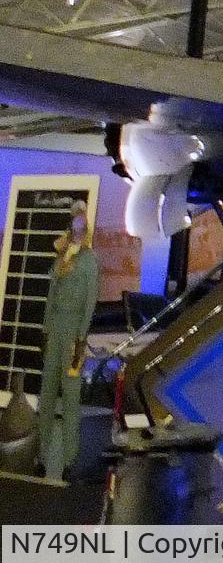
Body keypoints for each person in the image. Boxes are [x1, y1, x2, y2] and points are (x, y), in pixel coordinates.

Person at [37, 207, 98, 483]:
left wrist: (82, 338)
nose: (76, 230)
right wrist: (45, 329)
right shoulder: (61, 257)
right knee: (47, 394)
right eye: (74, 225)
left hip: (74, 334)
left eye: (80, 225)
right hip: (56, 331)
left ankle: (70, 460)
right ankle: (41, 454)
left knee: (71, 398)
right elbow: (52, 294)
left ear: (85, 230)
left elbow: (90, 302)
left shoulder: (89, 261)